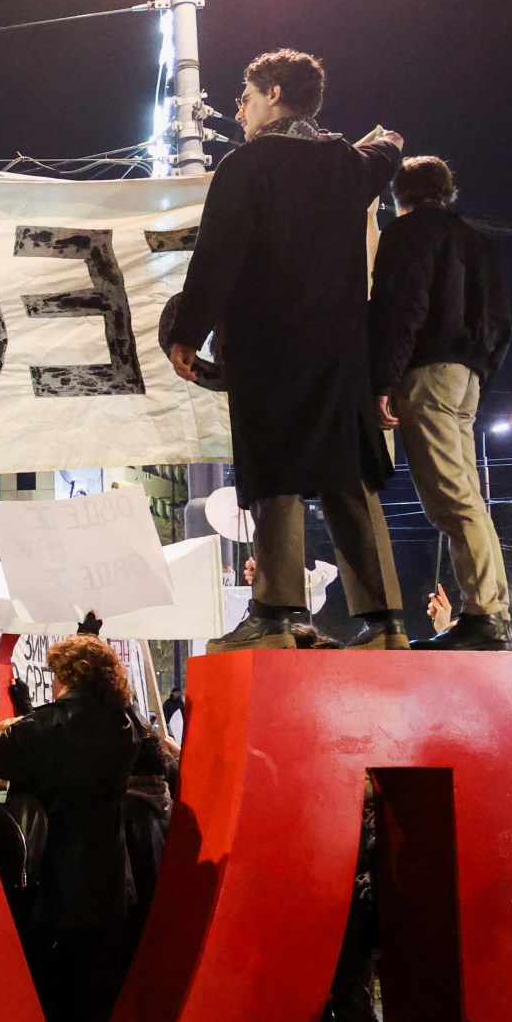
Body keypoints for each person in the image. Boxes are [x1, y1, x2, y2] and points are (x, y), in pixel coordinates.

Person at [167, 48, 407, 650]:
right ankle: (386, 625)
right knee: (347, 476)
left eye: (245, 96)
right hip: (339, 352)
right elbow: (384, 154)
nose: (239, 110)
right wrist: (387, 142)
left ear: (273, 92)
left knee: (272, 473)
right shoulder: (348, 166)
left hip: (268, 344)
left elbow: (217, 256)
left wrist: (185, 334)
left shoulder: (248, 166)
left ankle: (273, 614)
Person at [0, 637, 146, 1022]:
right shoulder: (124, 723)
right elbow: (61, 750)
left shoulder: (52, 727)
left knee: (51, 994)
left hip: (56, 878)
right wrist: (26, 704)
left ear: (67, 676)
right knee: (91, 993)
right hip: (110, 876)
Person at [369, 155, 512, 650]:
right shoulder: (478, 241)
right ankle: (491, 611)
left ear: (399, 195)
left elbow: (402, 308)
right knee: (468, 496)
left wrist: (383, 381)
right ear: (447, 192)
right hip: (468, 377)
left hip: (427, 371)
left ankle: (485, 616)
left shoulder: (407, 234)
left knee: (449, 498)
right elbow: (502, 326)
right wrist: (480, 376)